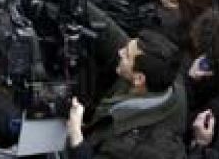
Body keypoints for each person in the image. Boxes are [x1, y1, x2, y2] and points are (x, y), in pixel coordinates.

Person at [67, 30, 186, 158]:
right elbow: (110, 33)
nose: (120, 52)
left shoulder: (131, 147)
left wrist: (76, 137)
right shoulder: (165, 77)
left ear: (139, 79)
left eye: (127, 55)